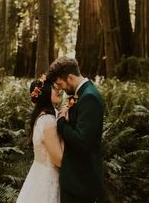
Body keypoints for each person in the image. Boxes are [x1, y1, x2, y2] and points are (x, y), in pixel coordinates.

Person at [47, 57, 105, 203]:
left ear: (70, 78)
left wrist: (61, 122)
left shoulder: (89, 97)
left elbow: (82, 141)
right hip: (76, 179)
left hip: (82, 182)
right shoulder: (82, 94)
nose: (60, 89)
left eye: (60, 84)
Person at [16, 75, 63, 203]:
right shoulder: (47, 120)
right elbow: (58, 160)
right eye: (53, 87)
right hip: (47, 179)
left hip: (38, 173)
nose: (58, 89)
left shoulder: (44, 116)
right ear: (45, 93)